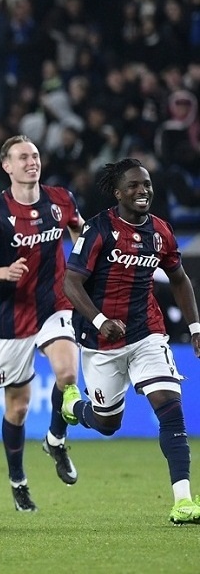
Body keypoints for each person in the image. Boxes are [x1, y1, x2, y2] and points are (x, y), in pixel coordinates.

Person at [61, 157, 200, 525]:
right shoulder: (98, 230)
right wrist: (101, 320)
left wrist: (196, 327)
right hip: (101, 340)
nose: (143, 191)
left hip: (146, 332)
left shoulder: (161, 232)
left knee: (169, 405)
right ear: (118, 193)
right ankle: (74, 407)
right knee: (107, 424)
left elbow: (180, 279)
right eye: (134, 185)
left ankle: (183, 501)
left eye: (147, 184)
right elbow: (70, 282)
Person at [0, 134, 84, 512]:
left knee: (67, 373)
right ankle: (18, 481)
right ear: (7, 166)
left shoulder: (61, 199)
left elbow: (79, 231)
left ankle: (56, 440)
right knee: (17, 408)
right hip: (12, 316)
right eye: (23, 157)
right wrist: (3, 272)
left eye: (35, 155)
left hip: (55, 305)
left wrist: (83, 264)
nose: (32, 162)